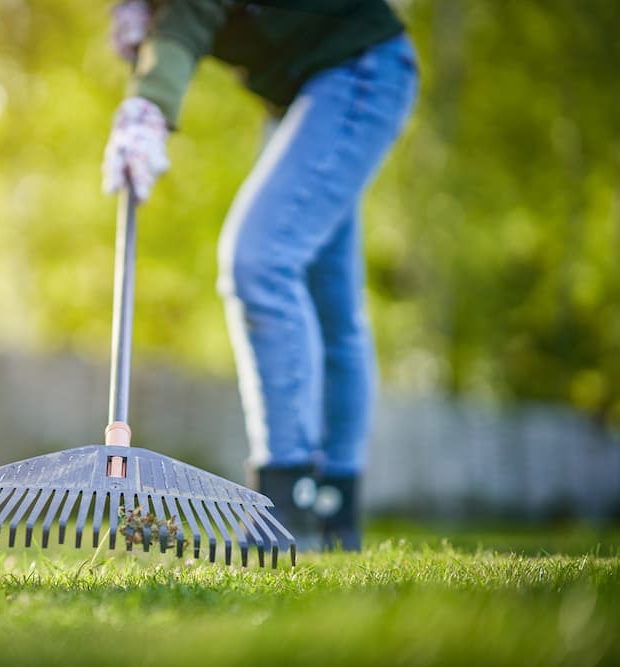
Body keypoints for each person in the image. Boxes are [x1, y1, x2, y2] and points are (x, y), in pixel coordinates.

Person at [101, 0, 419, 551]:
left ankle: (288, 501)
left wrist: (150, 102)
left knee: (260, 259)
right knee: (330, 302)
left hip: (359, 69)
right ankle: (333, 515)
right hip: (306, 96)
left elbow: (193, 13)